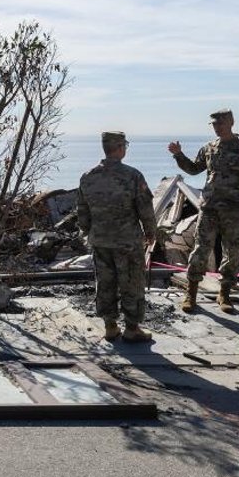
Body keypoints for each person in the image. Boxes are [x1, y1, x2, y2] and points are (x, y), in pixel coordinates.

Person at [167, 109, 239, 314]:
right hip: (210, 206)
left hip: (235, 207)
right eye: (214, 124)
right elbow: (193, 169)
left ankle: (225, 293)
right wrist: (178, 155)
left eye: (221, 123)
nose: (218, 127)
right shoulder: (209, 148)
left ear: (231, 123)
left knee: (232, 250)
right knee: (201, 248)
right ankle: (191, 293)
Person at [77, 131, 157, 343]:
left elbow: (82, 212)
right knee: (131, 283)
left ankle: (110, 326)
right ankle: (132, 328)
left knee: (105, 282)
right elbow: (145, 209)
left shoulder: (88, 177)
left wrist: (88, 232)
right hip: (127, 242)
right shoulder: (132, 176)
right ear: (120, 148)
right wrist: (151, 233)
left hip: (100, 241)